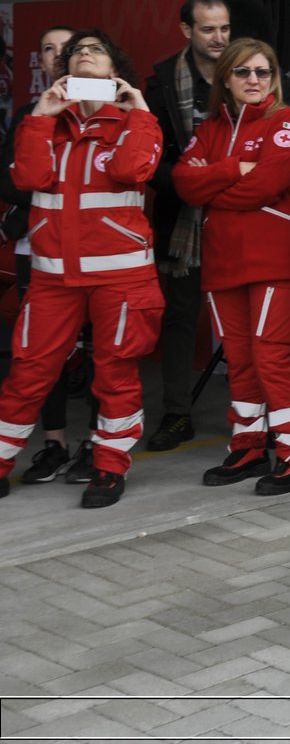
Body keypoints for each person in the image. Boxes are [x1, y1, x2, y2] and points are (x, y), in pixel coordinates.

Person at [0, 30, 165, 508]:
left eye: (96, 49)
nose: (84, 54)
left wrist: (140, 112)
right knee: (28, 373)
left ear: (116, 71)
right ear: (64, 71)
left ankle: (110, 468)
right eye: (76, 52)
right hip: (54, 277)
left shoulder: (135, 121)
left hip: (121, 276)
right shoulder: (45, 121)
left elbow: (133, 171)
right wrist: (40, 116)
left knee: (115, 375)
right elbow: (28, 179)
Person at [172, 39, 290, 496]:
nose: (254, 80)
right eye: (243, 72)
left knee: (269, 355)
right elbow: (183, 183)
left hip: (276, 259)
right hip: (223, 261)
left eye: (262, 71)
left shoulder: (285, 121)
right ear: (226, 80)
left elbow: (267, 184)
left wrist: (213, 184)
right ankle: (249, 445)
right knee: (239, 359)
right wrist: (236, 167)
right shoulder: (211, 128)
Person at [0, 25, 97, 485]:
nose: (58, 57)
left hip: (98, 255)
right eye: (48, 49)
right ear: (39, 61)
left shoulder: (103, 110)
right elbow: (8, 179)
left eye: (68, 49)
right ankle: (54, 444)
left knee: (101, 351)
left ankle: (98, 444)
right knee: (41, 354)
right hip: (37, 250)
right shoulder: (28, 113)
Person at [144, 0, 232, 451]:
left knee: (249, 319)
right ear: (186, 32)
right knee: (180, 317)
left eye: (223, 28)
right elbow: (150, 156)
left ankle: (259, 415)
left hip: (241, 215)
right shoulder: (161, 83)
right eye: (207, 29)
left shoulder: (250, 71)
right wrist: (188, 187)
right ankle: (177, 414)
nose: (218, 38)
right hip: (182, 220)